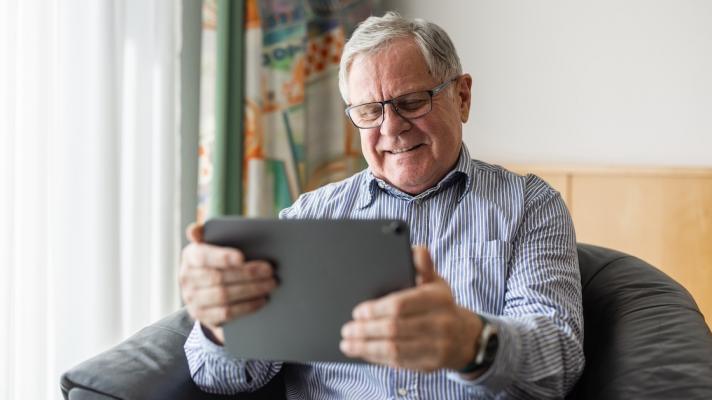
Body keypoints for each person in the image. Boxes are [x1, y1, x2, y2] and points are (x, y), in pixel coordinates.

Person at [179, 12, 584, 399]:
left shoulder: (530, 205)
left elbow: (559, 361)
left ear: (461, 97)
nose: (391, 127)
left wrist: (471, 342)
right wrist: (219, 324)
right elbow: (223, 378)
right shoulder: (310, 218)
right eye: (370, 111)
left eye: (411, 102)